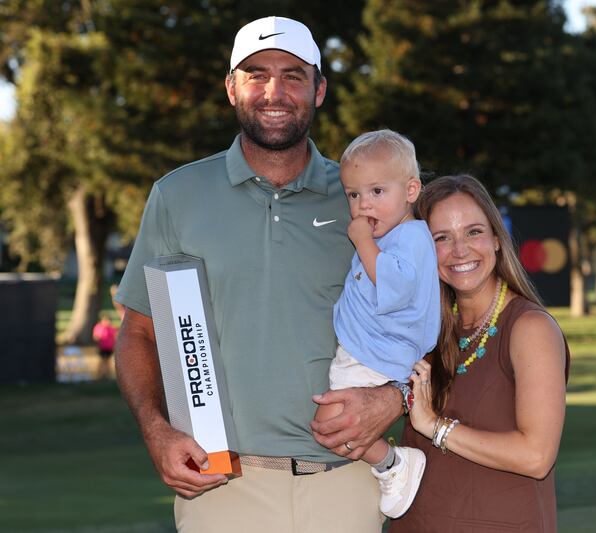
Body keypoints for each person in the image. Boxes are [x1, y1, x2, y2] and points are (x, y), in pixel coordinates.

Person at [114, 16, 402, 532]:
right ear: (232, 89)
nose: (275, 91)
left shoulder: (367, 198)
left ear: (319, 91)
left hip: (347, 479)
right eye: (257, 74)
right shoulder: (177, 196)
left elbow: (423, 317)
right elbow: (138, 331)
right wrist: (156, 430)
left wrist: (393, 397)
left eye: (293, 75)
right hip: (221, 483)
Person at [390, 174, 571, 533]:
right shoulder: (427, 331)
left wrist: (434, 427)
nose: (460, 250)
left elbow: (536, 456)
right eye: (442, 238)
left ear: (496, 239)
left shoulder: (529, 328)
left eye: (473, 232)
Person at [314, 129, 440, 518]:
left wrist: (362, 242)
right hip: (366, 351)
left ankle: (394, 464)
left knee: (330, 423)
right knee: (330, 425)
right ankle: (389, 463)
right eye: (354, 195)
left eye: (377, 192)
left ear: (411, 190)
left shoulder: (411, 238)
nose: (363, 205)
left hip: (377, 357)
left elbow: (394, 287)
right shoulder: (391, 235)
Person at [92, 313, 117, 379]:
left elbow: (115, 337)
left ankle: (107, 374)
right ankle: (100, 374)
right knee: (102, 361)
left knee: (107, 361)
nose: (107, 322)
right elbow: (95, 337)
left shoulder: (112, 328)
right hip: (102, 347)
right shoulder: (98, 327)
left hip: (109, 347)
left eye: (108, 320)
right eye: (105, 320)